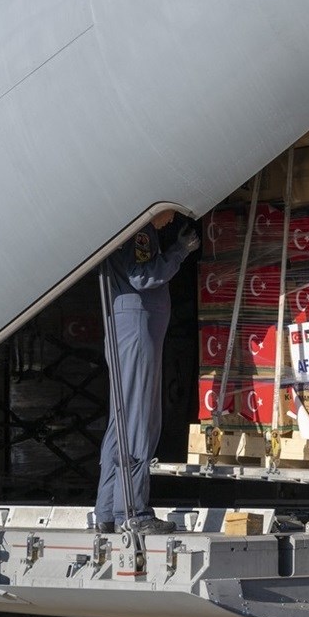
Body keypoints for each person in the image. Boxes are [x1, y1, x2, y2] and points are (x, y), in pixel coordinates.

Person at [93, 210, 199, 535]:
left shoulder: (119, 226)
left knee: (122, 420)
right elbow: (142, 275)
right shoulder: (140, 232)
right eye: (170, 212)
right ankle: (134, 512)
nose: (170, 219)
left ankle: (109, 510)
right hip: (138, 329)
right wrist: (180, 251)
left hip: (128, 327)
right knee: (140, 421)